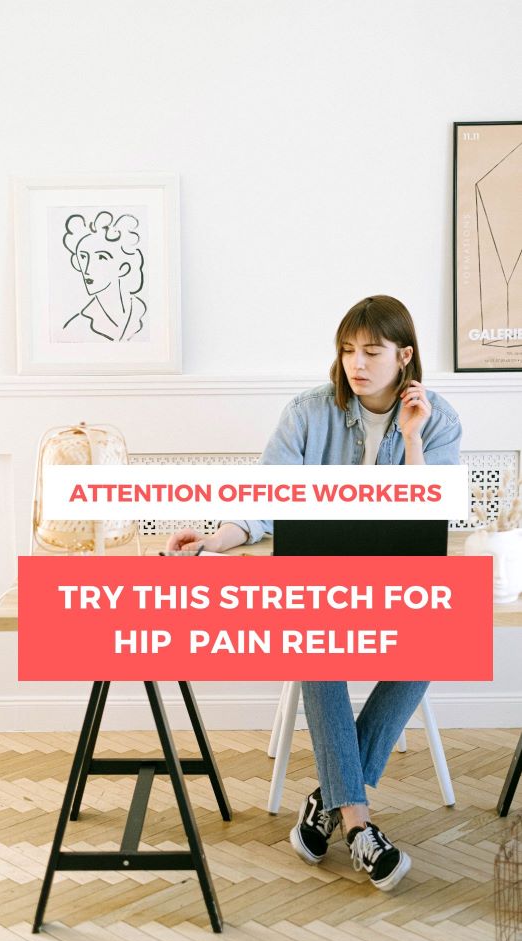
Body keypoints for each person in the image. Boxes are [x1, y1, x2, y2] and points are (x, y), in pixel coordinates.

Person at [167, 294, 462, 892]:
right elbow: (265, 502)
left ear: (404, 356)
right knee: (317, 643)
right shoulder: (307, 413)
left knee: (436, 643)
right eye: (348, 350)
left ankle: (327, 799)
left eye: (372, 351)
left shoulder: (440, 418)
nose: (356, 363)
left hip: (396, 589)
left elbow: (437, 518)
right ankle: (358, 825)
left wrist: (412, 439)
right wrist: (216, 541)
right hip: (324, 588)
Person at [60, 211, 146, 342]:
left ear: (123, 268)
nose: (87, 269)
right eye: (83, 257)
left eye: (101, 257)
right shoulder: (75, 328)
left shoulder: (146, 314)